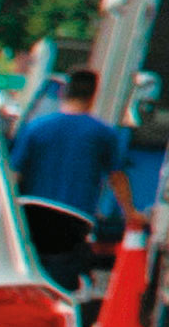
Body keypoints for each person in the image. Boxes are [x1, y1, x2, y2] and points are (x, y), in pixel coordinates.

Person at [8, 66, 130, 294]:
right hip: (74, 220)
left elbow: (14, 173)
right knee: (61, 284)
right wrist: (130, 214)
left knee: (27, 276)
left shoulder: (35, 128)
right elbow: (117, 177)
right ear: (93, 96)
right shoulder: (103, 133)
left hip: (33, 214)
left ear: (64, 92)